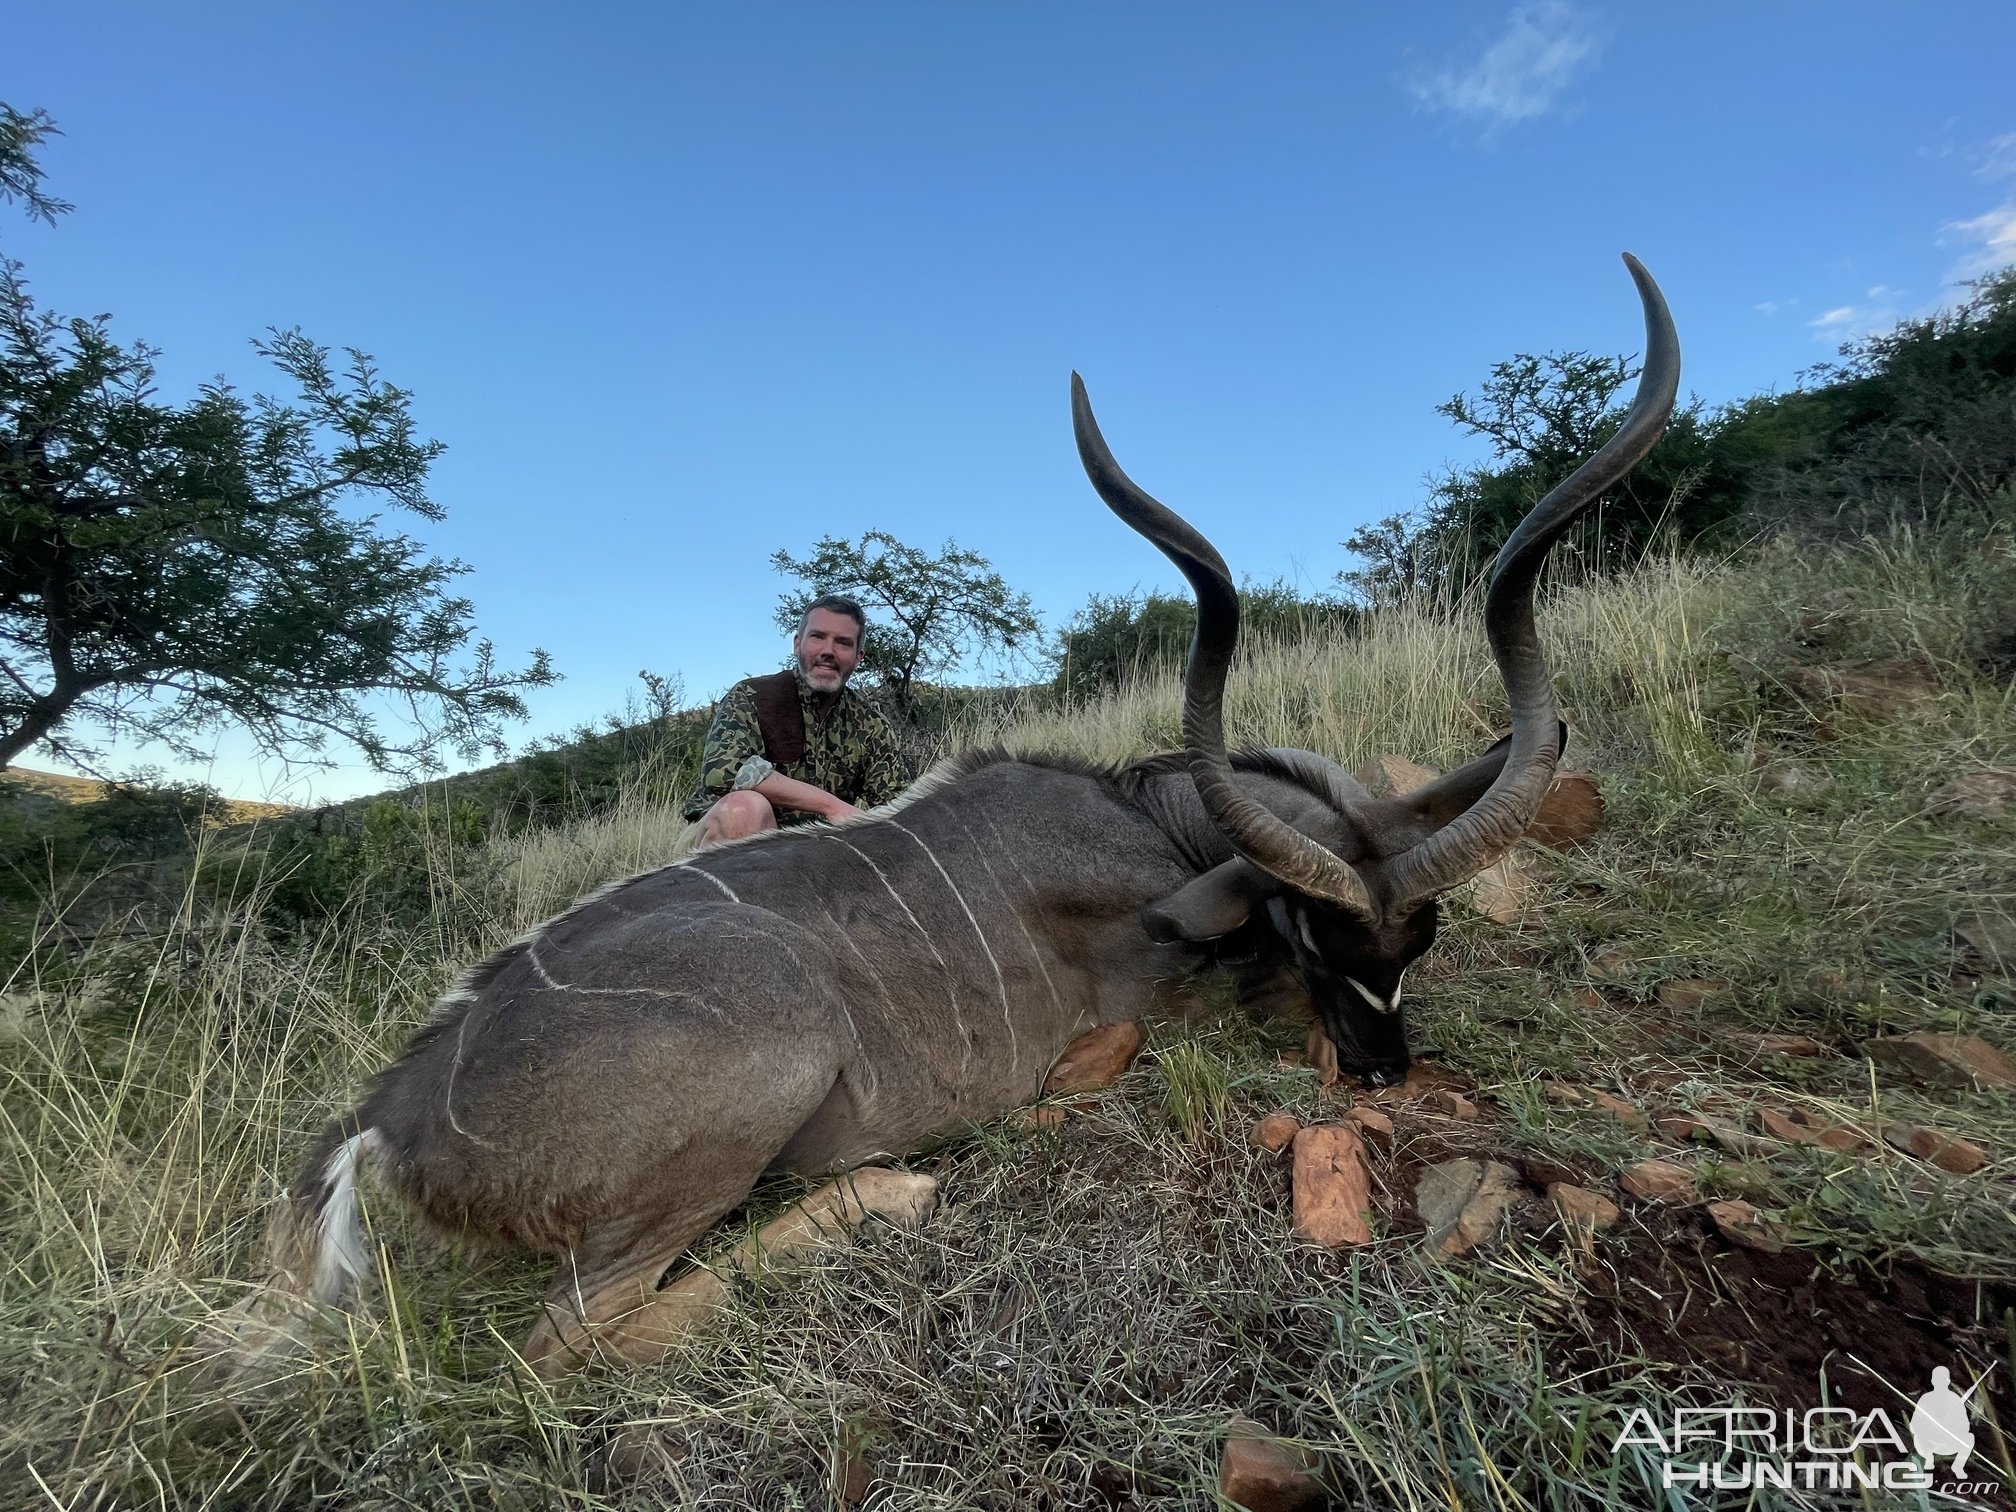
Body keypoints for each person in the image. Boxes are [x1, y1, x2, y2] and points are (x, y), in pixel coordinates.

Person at [682, 595, 912, 846]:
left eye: (843, 643)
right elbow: (724, 772)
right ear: (797, 644)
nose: (828, 651)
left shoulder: (872, 726)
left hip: (811, 851)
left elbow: (897, 808)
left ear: (858, 657)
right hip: (727, 844)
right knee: (743, 809)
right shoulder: (752, 696)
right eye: (817, 637)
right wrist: (831, 806)